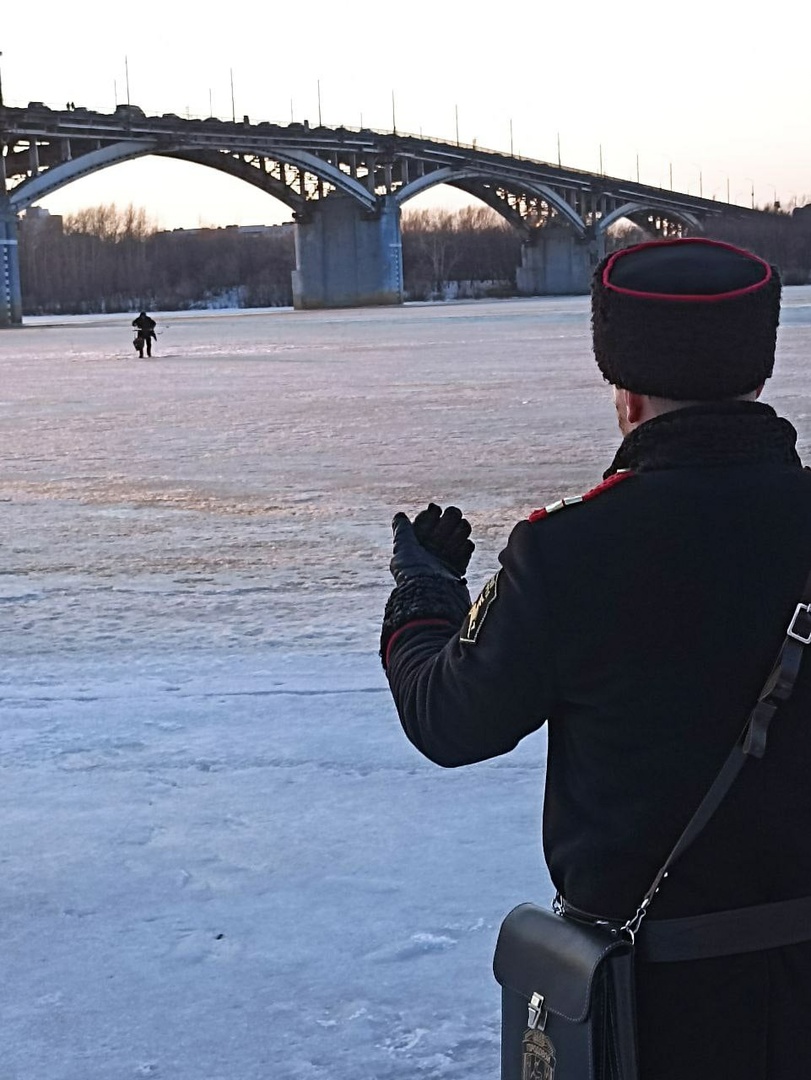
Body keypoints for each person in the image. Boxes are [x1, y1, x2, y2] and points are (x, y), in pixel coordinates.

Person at [380, 237, 811, 1079]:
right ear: (757, 378)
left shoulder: (570, 550)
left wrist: (424, 596)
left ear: (625, 394)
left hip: (660, 1008)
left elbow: (450, 718)